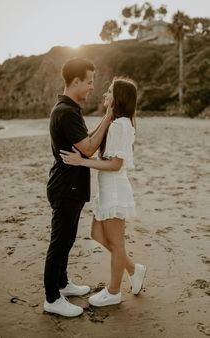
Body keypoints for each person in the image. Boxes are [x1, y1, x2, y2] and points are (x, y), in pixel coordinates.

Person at [60, 77, 146, 307]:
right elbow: (93, 142)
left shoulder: (120, 126)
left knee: (117, 244)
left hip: (115, 189)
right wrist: (107, 117)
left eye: (109, 92)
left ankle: (114, 291)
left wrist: (81, 162)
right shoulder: (117, 123)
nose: (104, 95)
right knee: (97, 234)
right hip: (109, 189)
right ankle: (133, 269)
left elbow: (116, 164)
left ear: (118, 98)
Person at [43, 57, 112, 317]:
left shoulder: (68, 108)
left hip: (69, 185)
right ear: (75, 82)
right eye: (89, 82)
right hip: (65, 187)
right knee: (60, 242)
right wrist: (108, 117)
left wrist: (101, 124)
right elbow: (89, 147)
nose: (92, 87)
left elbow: (85, 140)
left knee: (68, 239)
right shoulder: (66, 111)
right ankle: (51, 297)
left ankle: (62, 283)